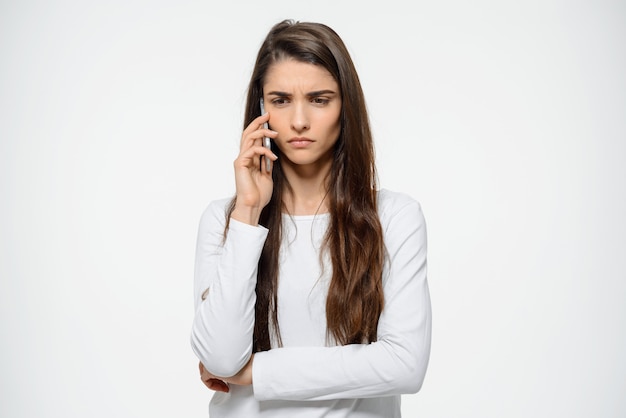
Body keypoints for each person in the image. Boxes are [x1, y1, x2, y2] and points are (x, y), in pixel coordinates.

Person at [190, 19, 431, 417]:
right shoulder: (225, 220)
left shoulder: (393, 218)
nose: (299, 120)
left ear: (344, 106)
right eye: (281, 100)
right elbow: (219, 358)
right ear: (261, 108)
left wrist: (257, 373)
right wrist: (248, 213)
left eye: (319, 99)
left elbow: (404, 365)